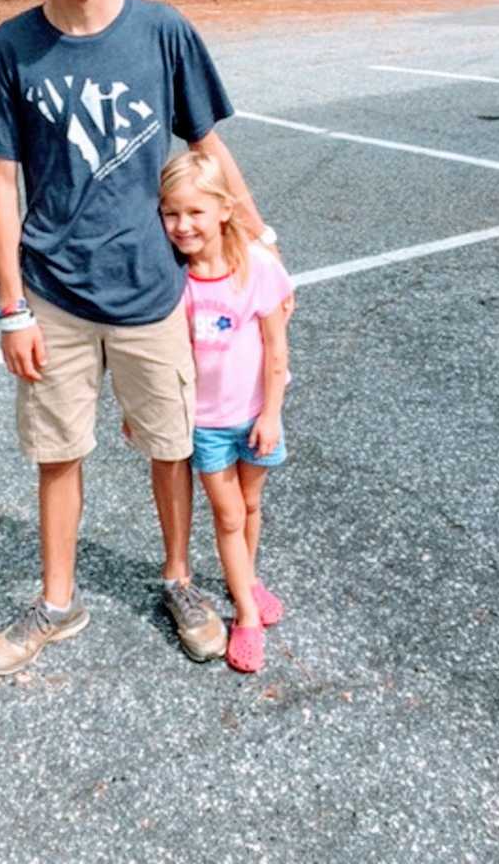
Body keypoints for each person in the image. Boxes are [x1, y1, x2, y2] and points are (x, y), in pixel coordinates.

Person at [0, 0, 280, 676]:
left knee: (171, 447)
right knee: (58, 451)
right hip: (57, 296)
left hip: (153, 292)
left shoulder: (162, 32)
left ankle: (178, 579)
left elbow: (208, 149)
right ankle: (57, 602)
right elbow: (4, 183)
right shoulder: (10, 50)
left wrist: (263, 250)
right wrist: (11, 308)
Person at [158, 150, 293, 673]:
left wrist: (271, 415)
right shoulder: (174, 280)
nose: (183, 225)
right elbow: (163, 354)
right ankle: (246, 615)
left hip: (257, 415)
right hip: (208, 425)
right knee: (229, 513)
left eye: (194, 212)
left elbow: (277, 349)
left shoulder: (255, 270)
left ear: (223, 210)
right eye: (171, 213)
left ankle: (249, 580)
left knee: (251, 506)